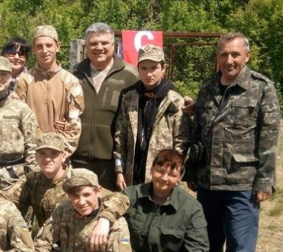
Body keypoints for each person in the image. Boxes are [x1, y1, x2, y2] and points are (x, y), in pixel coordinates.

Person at [186, 33, 280, 252]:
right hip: (208, 183)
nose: (229, 60)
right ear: (217, 58)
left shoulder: (261, 89)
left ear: (246, 56)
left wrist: (265, 180)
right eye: (224, 55)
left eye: (235, 55)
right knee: (209, 240)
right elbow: (198, 134)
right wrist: (191, 172)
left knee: (240, 245)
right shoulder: (208, 88)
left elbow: (269, 138)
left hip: (242, 182)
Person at [15, 133, 130, 249]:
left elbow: (121, 198)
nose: (47, 159)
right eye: (42, 153)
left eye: (54, 154)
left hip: (79, 248)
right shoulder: (32, 181)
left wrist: (105, 220)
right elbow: (6, 201)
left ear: (64, 155)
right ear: (36, 157)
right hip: (46, 245)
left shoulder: (77, 178)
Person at [113, 45, 191, 190]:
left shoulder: (174, 101)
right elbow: (120, 136)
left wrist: (172, 174)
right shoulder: (129, 97)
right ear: (138, 69)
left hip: (162, 177)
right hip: (132, 176)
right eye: (144, 68)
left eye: (154, 68)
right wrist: (119, 170)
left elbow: (181, 143)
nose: (149, 74)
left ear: (163, 68)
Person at [72, 23, 138, 190]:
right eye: (93, 43)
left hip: (111, 164)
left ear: (113, 46)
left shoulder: (130, 76)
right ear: (86, 46)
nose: (99, 48)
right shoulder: (74, 74)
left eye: (104, 43)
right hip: (77, 160)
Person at [0, 56, 38, 201]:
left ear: (10, 77)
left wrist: (32, 178)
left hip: (16, 178)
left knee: (18, 221)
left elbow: (32, 145)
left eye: (3, 74)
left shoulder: (21, 108)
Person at [15, 25, 84, 157]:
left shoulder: (71, 82)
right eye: (39, 46)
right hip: (30, 156)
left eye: (49, 45)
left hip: (60, 157)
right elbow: (18, 122)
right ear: (34, 49)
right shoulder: (24, 82)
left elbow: (74, 126)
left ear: (57, 47)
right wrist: (33, 153)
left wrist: (59, 156)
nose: (44, 50)